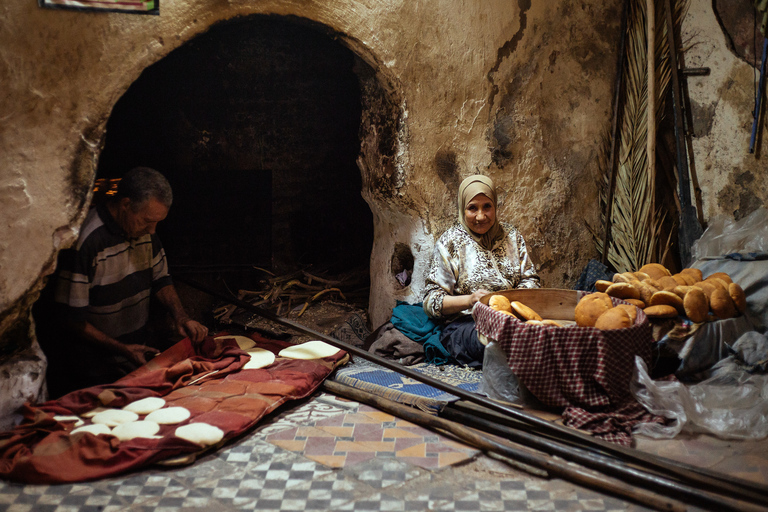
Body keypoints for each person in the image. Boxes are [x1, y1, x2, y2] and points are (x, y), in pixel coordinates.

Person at [44, 167, 208, 394]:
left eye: (157, 223)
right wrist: (121, 348)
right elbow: (72, 320)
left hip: (131, 358)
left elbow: (161, 279)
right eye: (147, 221)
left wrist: (181, 316)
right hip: (90, 369)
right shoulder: (86, 242)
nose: (152, 231)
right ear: (125, 205)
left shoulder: (145, 233)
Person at [423, 174, 540, 367]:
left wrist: (507, 303)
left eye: (487, 206)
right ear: (462, 209)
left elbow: (531, 280)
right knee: (500, 342)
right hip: (467, 324)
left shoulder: (512, 236)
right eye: (472, 208)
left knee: (544, 334)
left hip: (512, 319)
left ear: (495, 206)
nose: (481, 216)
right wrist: (471, 300)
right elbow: (431, 302)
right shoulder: (450, 243)